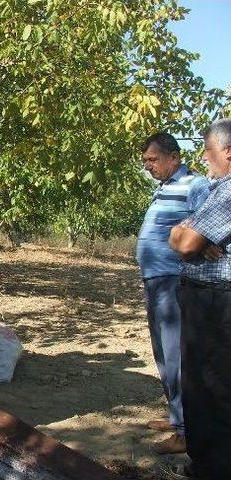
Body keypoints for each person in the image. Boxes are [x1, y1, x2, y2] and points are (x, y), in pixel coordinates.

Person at [136, 132, 210, 455]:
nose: (148, 166)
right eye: (145, 162)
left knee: (175, 356)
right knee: (162, 355)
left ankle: (184, 432)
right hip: (154, 280)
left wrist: (207, 246)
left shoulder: (195, 185)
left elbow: (206, 227)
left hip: (172, 281)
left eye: (153, 160)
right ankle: (175, 415)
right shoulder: (165, 186)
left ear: (174, 158)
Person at [168, 118, 231, 480]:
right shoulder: (216, 190)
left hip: (216, 303)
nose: (204, 158)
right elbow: (183, 234)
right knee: (202, 383)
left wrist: (190, 237)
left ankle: (212, 468)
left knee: (212, 386)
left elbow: (186, 242)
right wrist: (187, 235)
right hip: (206, 299)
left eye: (208, 151)